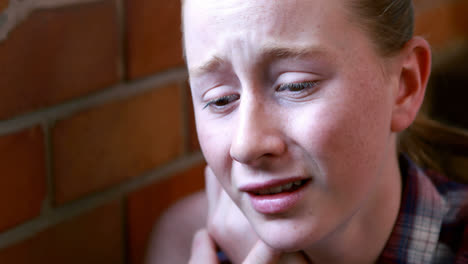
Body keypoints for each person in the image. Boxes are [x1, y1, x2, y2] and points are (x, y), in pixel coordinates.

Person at [147, 0, 468, 263]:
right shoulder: (186, 243)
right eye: (221, 100)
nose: (246, 145)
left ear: (404, 86)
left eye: (296, 85)